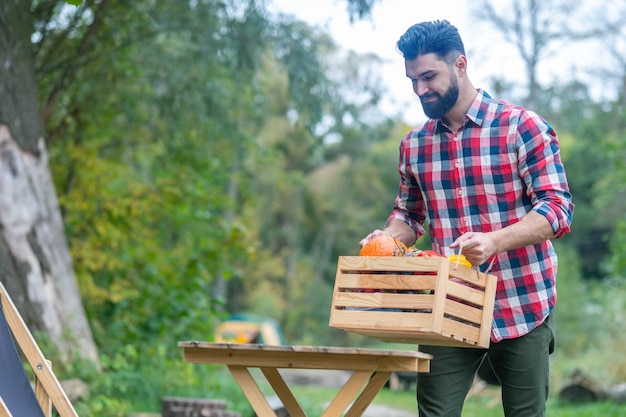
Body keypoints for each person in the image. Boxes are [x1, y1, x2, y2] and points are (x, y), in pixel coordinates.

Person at [359, 20, 574, 417]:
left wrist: (494, 241)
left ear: (460, 64)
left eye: (429, 76)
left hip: (522, 301)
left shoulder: (521, 127)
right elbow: (409, 215)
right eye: (412, 80)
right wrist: (387, 239)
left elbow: (557, 210)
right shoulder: (415, 145)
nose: (420, 89)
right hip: (449, 302)